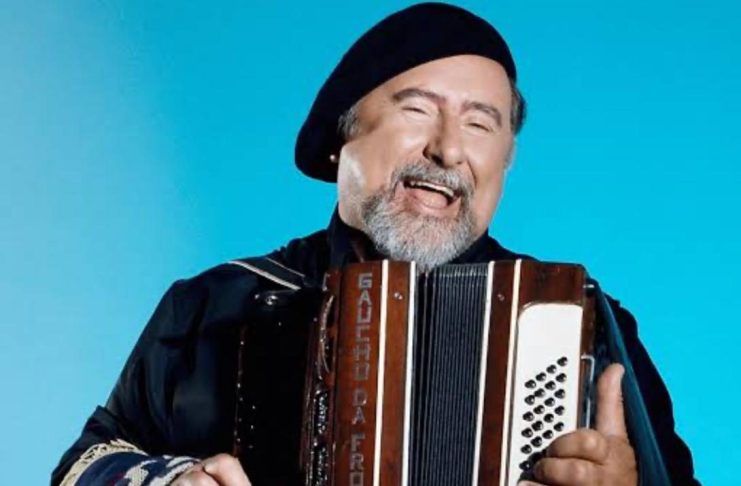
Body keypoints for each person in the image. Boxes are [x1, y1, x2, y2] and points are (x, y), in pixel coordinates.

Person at [52, 3, 699, 486]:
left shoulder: (581, 320)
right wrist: (166, 481)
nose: (448, 149)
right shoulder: (213, 303)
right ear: (343, 138)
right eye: (417, 110)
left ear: (505, 161)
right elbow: (85, 463)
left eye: (480, 124)